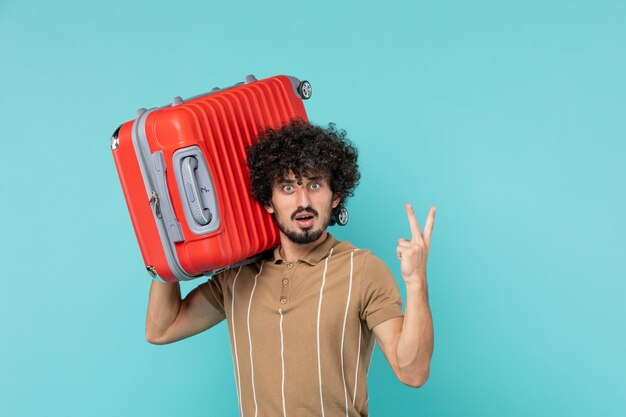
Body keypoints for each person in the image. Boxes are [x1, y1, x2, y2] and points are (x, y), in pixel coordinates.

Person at [145, 119, 436, 417]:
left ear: (335, 196)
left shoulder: (363, 270)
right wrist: (166, 231)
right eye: (287, 187)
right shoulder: (238, 275)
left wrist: (416, 283)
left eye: (314, 184)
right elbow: (162, 329)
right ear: (268, 201)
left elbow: (412, 372)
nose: (303, 201)